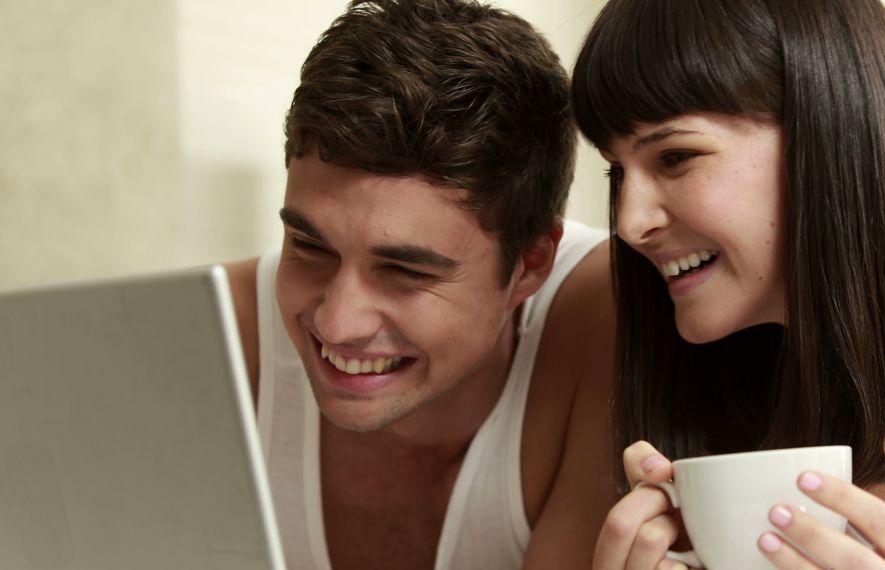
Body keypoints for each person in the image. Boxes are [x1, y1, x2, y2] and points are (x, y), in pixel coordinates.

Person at [570, 0, 885, 568]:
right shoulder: (711, 406)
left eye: (675, 157)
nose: (628, 225)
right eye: (615, 172)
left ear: (831, 124)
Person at [223, 1, 617, 568]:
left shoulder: (604, 312)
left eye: (406, 272)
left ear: (531, 264)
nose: (338, 323)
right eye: (310, 248)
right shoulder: (218, 336)